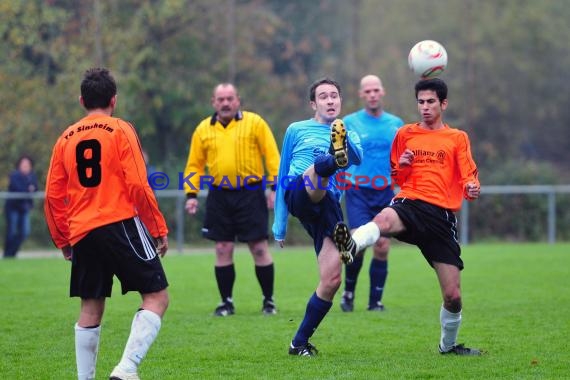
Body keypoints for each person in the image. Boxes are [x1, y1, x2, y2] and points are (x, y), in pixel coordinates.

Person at [333, 78, 482, 355]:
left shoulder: (457, 138)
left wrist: (472, 188)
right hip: (410, 202)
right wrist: (401, 166)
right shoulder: (405, 134)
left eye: (430, 102)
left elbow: (468, 179)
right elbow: (397, 177)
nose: (425, 107)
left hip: (441, 217)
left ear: (443, 103)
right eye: (421, 102)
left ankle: (447, 347)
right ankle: (352, 245)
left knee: (453, 296)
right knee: (384, 220)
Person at [44, 68, 170, 380]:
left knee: (90, 307)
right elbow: (139, 184)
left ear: (81, 100)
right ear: (113, 99)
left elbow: (52, 195)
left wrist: (63, 238)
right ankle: (126, 369)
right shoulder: (120, 129)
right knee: (157, 297)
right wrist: (157, 228)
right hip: (120, 223)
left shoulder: (66, 138)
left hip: (83, 232)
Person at [273, 77, 363, 356]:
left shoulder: (348, 130)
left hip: (328, 205)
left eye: (334, 95)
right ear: (314, 104)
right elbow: (282, 170)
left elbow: (357, 157)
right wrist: (279, 224)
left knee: (332, 279)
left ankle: (298, 342)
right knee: (317, 171)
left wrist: (345, 140)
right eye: (323, 96)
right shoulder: (296, 129)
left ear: (341, 101)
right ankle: (328, 161)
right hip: (299, 190)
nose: (330, 100)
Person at [183, 83, 281, 316]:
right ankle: (226, 302)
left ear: (238, 100)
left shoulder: (255, 123)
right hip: (219, 194)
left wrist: (274, 188)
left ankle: (269, 301)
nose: (225, 103)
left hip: (250, 193)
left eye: (229, 98)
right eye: (220, 99)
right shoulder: (203, 129)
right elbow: (194, 165)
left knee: (258, 248)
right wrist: (191, 194)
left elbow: (272, 156)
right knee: (222, 247)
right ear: (213, 102)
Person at [339, 75, 404, 312]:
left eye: (376, 90)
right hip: (357, 190)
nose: (372, 94)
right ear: (361, 94)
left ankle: (375, 301)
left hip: (385, 191)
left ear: (383, 92)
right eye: (368, 91)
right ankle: (348, 293)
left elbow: (401, 159)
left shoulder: (396, 123)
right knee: (358, 242)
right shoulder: (349, 122)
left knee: (383, 245)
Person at [3, 155, 38, 258]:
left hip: (24, 208)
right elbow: (18, 189)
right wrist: (28, 189)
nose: (25, 166)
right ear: (19, 165)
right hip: (13, 208)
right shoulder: (14, 176)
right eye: (23, 164)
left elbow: (35, 188)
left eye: (27, 165)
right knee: (12, 232)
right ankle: (7, 254)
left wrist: (30, 190)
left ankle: (13, 252)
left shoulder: (32, 176)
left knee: (25, 232)